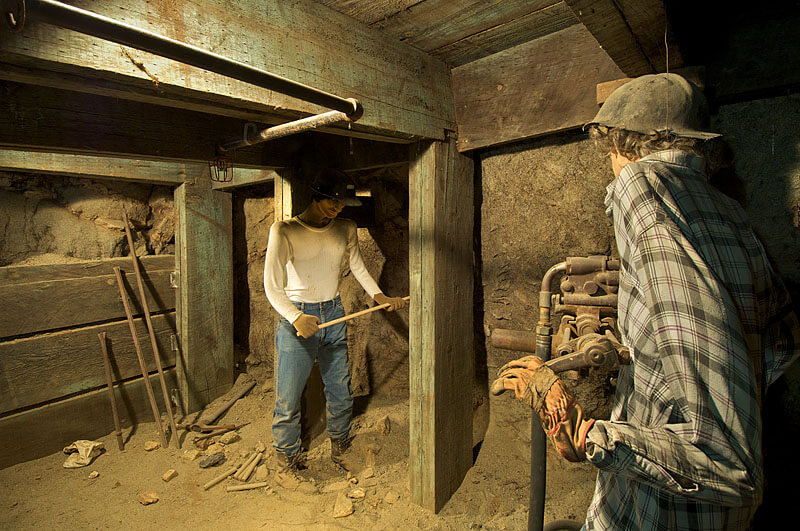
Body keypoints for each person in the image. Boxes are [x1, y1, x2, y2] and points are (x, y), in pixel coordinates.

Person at [492, 73, 800, 529]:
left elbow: (727, 458)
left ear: (622, 144)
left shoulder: (645, 190)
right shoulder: (730, 213)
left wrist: (583, 431)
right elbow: (780, 346)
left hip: (663, 514)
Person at [264, 169, 406, 470]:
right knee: (289, 395)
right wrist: (295, 317)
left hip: (334, 311)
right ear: (315, 196)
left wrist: (379, 297)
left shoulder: (346, 227)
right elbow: (272, 286)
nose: (338, 208)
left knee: (340, 388)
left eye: (342, 204)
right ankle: (287, 457)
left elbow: (359, 268)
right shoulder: (284, 230)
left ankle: (340, 445)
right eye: (333, 202)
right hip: (298, 316)